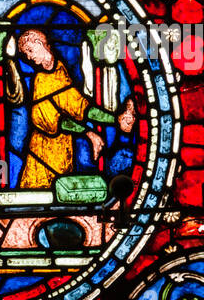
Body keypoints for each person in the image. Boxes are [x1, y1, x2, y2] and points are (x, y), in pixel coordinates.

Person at [16, 28, 135, 190]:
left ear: (39, 44)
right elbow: (51, 122)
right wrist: (89, 134)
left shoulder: (60, 71)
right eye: (26, 54)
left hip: (63, 153)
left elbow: (82, 108)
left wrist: (116, 120)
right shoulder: (40, 80)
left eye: (30, 51)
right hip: (41, 157)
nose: (29, 57)